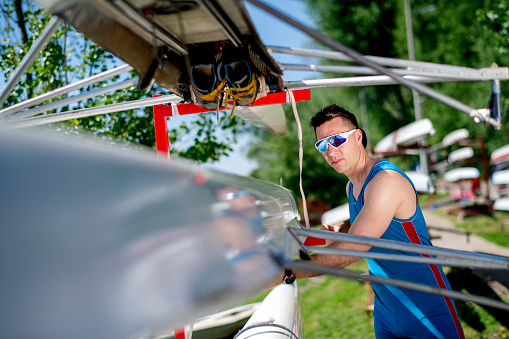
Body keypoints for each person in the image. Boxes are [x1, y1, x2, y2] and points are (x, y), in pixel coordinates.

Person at [274, 104, 465, 339]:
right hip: (386, 308)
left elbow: (355, 248)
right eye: (322, 145)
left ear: (357, 136)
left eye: (337, 140)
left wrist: (288, 271)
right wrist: (326, 232)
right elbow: (364, 229)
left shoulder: (385, 180)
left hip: (425, 304)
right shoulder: (351, 186)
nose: (331, 152)